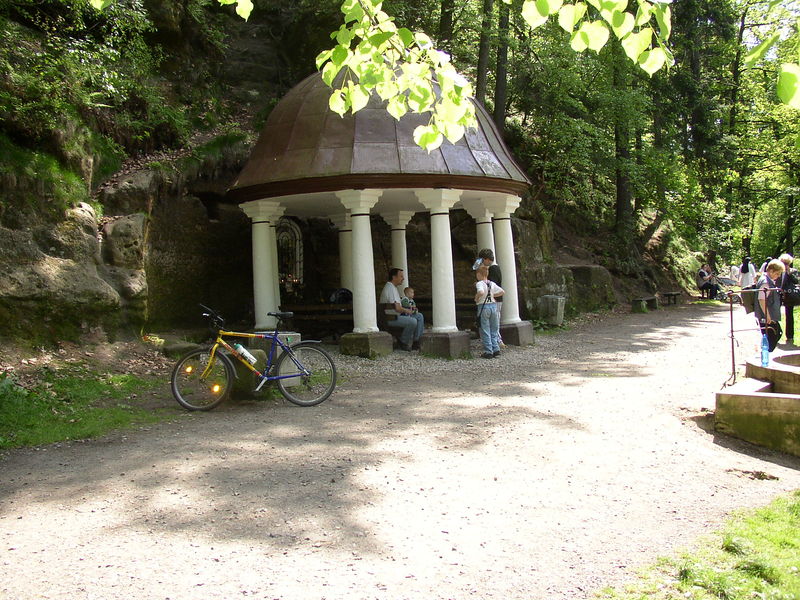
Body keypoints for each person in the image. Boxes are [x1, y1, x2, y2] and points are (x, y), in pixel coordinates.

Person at [378, 268, 424, 351]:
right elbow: (398, 308)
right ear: (394, 277)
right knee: (412, 321)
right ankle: (403, 342)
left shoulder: (393, 287)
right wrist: (408, 311)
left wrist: (410, 309)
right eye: (401, 276)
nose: (403, 278)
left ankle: (416, 341)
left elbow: (398, 307)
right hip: (390, 318)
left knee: (419, 316)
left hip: (395, 316)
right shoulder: (390, 288)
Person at [472, 248, 505, 347]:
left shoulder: (493, 269)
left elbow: (491, 286)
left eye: (482, 260)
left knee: (492, 324)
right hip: (493, 300)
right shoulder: (493, 268)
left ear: (486, 259)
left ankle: (497, 341)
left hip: (493, 301)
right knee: (493, 322)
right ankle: (495, 343)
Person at [754, 259, 785, 350]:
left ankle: (765, 354)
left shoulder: (767, 280)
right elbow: (762, 300)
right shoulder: (765, 282)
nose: (778, 276)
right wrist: (767, 315)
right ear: (771, 271)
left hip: (769, 316)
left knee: (777, 333)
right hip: (766, 317)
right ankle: (765, 357)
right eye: (777, 273)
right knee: (771, 340)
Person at [475, 264, 504, 358]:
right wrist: (492, 295)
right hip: (493, 306)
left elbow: (481, 292)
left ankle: (488, 351)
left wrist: (477, 298)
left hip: (484, 307)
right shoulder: (491, 283)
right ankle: (496, 349)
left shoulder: (479, 283)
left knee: (485, 329)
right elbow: (502, 292)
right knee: (494, 328)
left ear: (479, 274)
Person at [779, 253, 798, 345]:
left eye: (786, 263)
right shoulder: (778, 271)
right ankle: (776, 333)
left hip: (789, 296)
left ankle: (789, 336)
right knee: (774, 314)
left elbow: (796, 281)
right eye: (783, 263)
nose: (785, 265)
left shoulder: (793, 271)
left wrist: (789, 273)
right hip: (778, 295)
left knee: (789, 316)